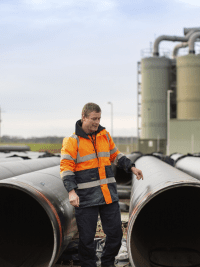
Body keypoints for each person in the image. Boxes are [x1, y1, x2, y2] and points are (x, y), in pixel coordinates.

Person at [60, 102, 143, 267]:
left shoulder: (104, 135)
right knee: (86, 239)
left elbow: (116, 155)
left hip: (107, 196)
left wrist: (131, 167)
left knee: (115, 235)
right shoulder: (72, 141)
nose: (97, 122)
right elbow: (66, 169)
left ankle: (107, 263)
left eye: (99, 118)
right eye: (93, 118)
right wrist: (71, 191)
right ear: (84, 116)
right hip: (86, 198)